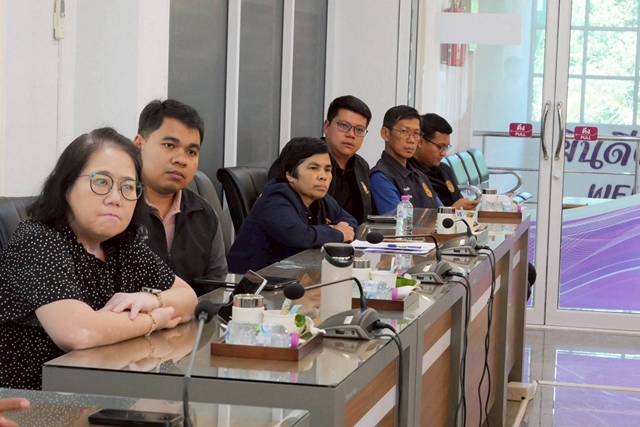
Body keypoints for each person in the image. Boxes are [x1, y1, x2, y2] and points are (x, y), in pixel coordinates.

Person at [0, 128, 198, 390]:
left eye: (128, 187)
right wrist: (154, 320)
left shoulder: (122, 245)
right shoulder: (37, 240)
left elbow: (188, 298)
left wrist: (152, 300)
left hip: (105, 392)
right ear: (66, 186)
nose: (116, 199)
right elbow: (79, 333)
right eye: (102, 182)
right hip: (38, 400)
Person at [133, 99, 227, 296]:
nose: (181, 160)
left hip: (192, 315)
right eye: (169, 145)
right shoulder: (116, 207)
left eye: (191, 152)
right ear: (139, 145)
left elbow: (216, 288)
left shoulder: (204, 214)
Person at [227, 137, 357, 273]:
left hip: (293, 276)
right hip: (253, 281)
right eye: (314, 168)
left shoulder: (319, 197)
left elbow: (349, 222)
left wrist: (335, 231)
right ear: (290, 174)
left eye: (327, 170)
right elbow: (300, 236)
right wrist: (337, 232)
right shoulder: (275, 199)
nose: (323, 176)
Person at [269, 95, 373, 224]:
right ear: (326, 126)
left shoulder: (362, 166)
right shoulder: (300, 157)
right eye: (343, 125)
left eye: (359, 130)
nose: (351, 134)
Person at [370, 105, 440, 214]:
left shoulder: (420, 175)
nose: (411, 140)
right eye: (404, 131)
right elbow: (398, 220)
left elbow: (440, 212)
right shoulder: (381, 176)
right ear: (385, 134)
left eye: (416, 133)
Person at [409, 113, 479, 210]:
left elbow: (458, 200)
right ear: (420, 142)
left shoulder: (445, 169)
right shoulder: (410, 174)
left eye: (446, 147)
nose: (444, 153)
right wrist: (452, 210)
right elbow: (421, 215)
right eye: (440, 147)